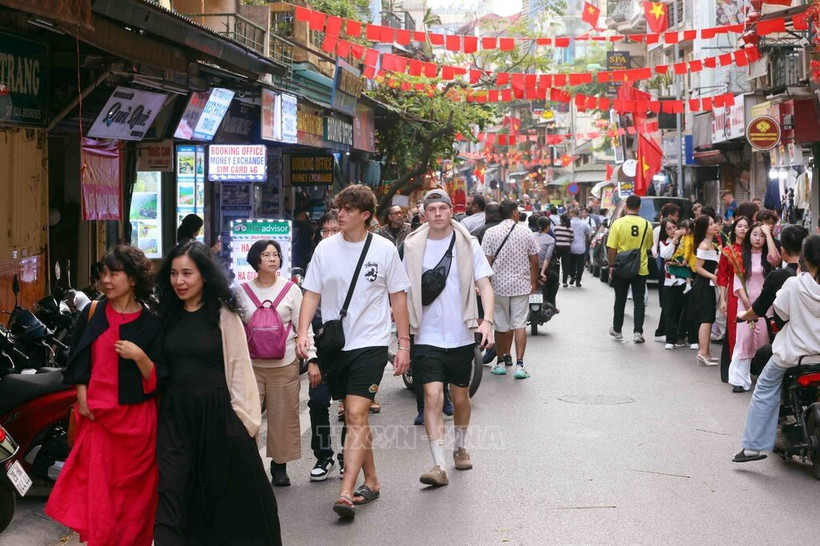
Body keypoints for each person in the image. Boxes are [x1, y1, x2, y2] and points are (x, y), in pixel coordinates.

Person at [154, 241, 281, 544]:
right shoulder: (166, 315)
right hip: (177, 419)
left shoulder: (222, 314)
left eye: (187, 273)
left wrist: (245, 423)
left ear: (204, 276)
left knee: (229, 502)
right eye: (173, 274)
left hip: (220, 418)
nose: (179, 281)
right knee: (173, 493)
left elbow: (239, 368)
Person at [296, 184, 411, 520]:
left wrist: (402, 344)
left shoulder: (385, 250)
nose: (340, 214)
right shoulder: (325, 249)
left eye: (347, 210)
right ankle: (372, 480)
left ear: (365, 216)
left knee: (357, 414)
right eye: (339, 208)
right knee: (354, 414)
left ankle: (345, 491)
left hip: (371, 343)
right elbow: (311, 294)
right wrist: (303, 332)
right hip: (335, 344)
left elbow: (398, 298)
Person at [47, 245, 163, 546]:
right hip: (98, 420)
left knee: (135, 505)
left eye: (115, 274)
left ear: (134, 278)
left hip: (138, 426)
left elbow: (162, 376)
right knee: (99, 499)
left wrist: (139, 357)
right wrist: (82, 395)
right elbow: (77, 359)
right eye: (104, 275)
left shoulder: (152, 323)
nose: (106, 281)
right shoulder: (93, 312)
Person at [402, 189, 495, 487]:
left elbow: (485, 284)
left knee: (460, 397)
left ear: (451, 211)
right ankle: (438, 465)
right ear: (424, 214)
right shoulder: (412, 246)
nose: (439, 213)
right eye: (433, 209)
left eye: (443, 208)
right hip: (425, 334)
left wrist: (488, 321)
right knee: (432, 396)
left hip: (461, 334)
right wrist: (403, 336)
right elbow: (401, 293)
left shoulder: (468, 244)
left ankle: (460, 445)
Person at [733, 235, 820, 463]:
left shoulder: (794, 284)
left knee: (764, 387)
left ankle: (753, 447)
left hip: (794, 356)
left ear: (805, 259)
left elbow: (780, 315)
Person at [236, 239, 316, 487]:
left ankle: (279, 468)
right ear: (255, 260)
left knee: (283, 417)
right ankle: (247, 465)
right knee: (245, 417)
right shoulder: (241, 291)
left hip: (285, 363)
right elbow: (234, 328)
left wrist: (311, 356)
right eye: (267, 254)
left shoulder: (291, 290)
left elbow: (303, 326)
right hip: (250, 366)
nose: (273, 258)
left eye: (276, 254)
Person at [304, 211, 346, 481]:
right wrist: (312, 358)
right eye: (324, 231)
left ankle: (347, 455)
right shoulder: (316, 263)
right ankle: (324, 455)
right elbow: (306, 312)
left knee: (352, 406)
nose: (328, 236)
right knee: (318, 402)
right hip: (323, 347)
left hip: (352, 346)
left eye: (334, 231)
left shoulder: (353, 260)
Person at [481, 199, 540, 379]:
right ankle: (520, 366)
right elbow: (535, 260)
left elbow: (486, 262)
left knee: (501, 325)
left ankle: (500, 362)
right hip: (521, 285)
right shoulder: (526, 231)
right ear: (514, 212)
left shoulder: (491, 233)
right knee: (520, 324)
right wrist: (533, 281)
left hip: (498, 286)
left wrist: (486, 285)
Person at [727, 223, 781, 392]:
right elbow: (737, 281)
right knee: (743, 340)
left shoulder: (768, 258)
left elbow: (776, 259)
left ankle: (763, 379)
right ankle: (739, 380)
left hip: (765, 305)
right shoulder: (741, 256)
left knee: (763, 340)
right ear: (749, 236)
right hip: (745, 303)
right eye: (755, 234)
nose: (758, 238)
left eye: (762, 236)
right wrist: (745, 301)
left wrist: (769, 234)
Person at [606, 194, 653, 343]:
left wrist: (611, 265)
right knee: (639, 301)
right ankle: (638, 332)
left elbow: (612, 248)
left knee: (620, 299)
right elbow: (649, 246)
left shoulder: (618, 224)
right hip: (641, 267)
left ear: (626, 206)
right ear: (639, 207)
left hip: (621, 267)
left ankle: (617, 329)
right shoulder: (647, 224)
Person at [716, 216, 750, 381]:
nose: (743, 229)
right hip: (734, 296)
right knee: (735, 331)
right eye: (740, 226)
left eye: (746, 226)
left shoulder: (753, 250)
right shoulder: (728, 251)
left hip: (752, 294)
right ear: (734, 229)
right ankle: (734, 370)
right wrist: (722, 299)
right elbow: (722, 277)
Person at [687, 215, 721, 365]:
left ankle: (706, 352)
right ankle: (702, 352)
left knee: (709, 318)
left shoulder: (711, 244)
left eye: (714, 223)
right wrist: (713, 277)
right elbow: (698, 268)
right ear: (704, 228)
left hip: (709, 285)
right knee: (705, 319)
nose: (715, 226)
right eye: (711, 224)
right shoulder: (703, 245)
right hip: (703, 285)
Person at [535, 216, 560, 312]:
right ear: (548, 227)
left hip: (529, 269)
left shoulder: (531, 235)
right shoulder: (550, 240)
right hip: (541, 269)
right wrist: (542, 272)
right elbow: (547, 258)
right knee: (554, 280)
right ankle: (551, 304)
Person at [568, 208, 591, 287]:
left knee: (571, 264)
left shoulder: (569, 223)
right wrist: (586, 241)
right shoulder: (584, 224)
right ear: (578, 214)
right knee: (580, 265)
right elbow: (587, 234)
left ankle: (572, 276)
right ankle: (578, 281)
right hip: (581, 247)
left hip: (571, 247)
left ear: (572, 214)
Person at [553, 214, 573, 287]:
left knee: (556, 264)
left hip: (558, 247)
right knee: (565, 265)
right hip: (566, 248)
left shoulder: (556, 228)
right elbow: (571, 239)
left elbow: (554, 238)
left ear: (561, 220)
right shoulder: (570, 229)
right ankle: (564, 282)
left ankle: (557, 280)